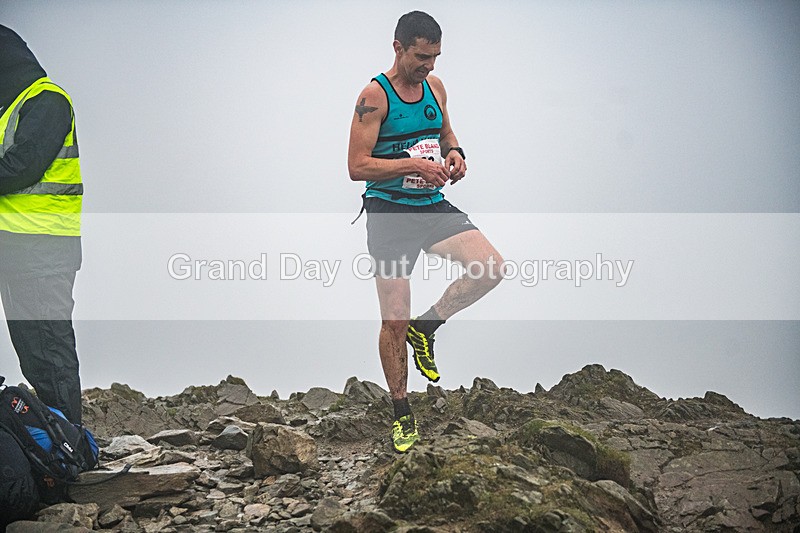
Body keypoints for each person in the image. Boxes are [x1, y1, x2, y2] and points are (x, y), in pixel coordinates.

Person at [348, 11, 503, 453]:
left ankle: (428, 327)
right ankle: (402, 414)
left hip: (432, 207)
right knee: (393, 320)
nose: (429, 66)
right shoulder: (374, 97)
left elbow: (446, 131)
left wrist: (455, 153)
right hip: (389, 215)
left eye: (435, 57)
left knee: (490, 267)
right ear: (398, 48)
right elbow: (357, 167)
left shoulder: (435, 87)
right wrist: (412, 165)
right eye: (421, 57)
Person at [0, 25, 84, 426]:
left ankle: (69, 448)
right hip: (17, 250)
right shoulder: (9, 109)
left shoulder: (47, 100)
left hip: (43, 249)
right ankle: (56, 445)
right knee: (33, 353)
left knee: (49, 352)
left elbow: (21, 167)